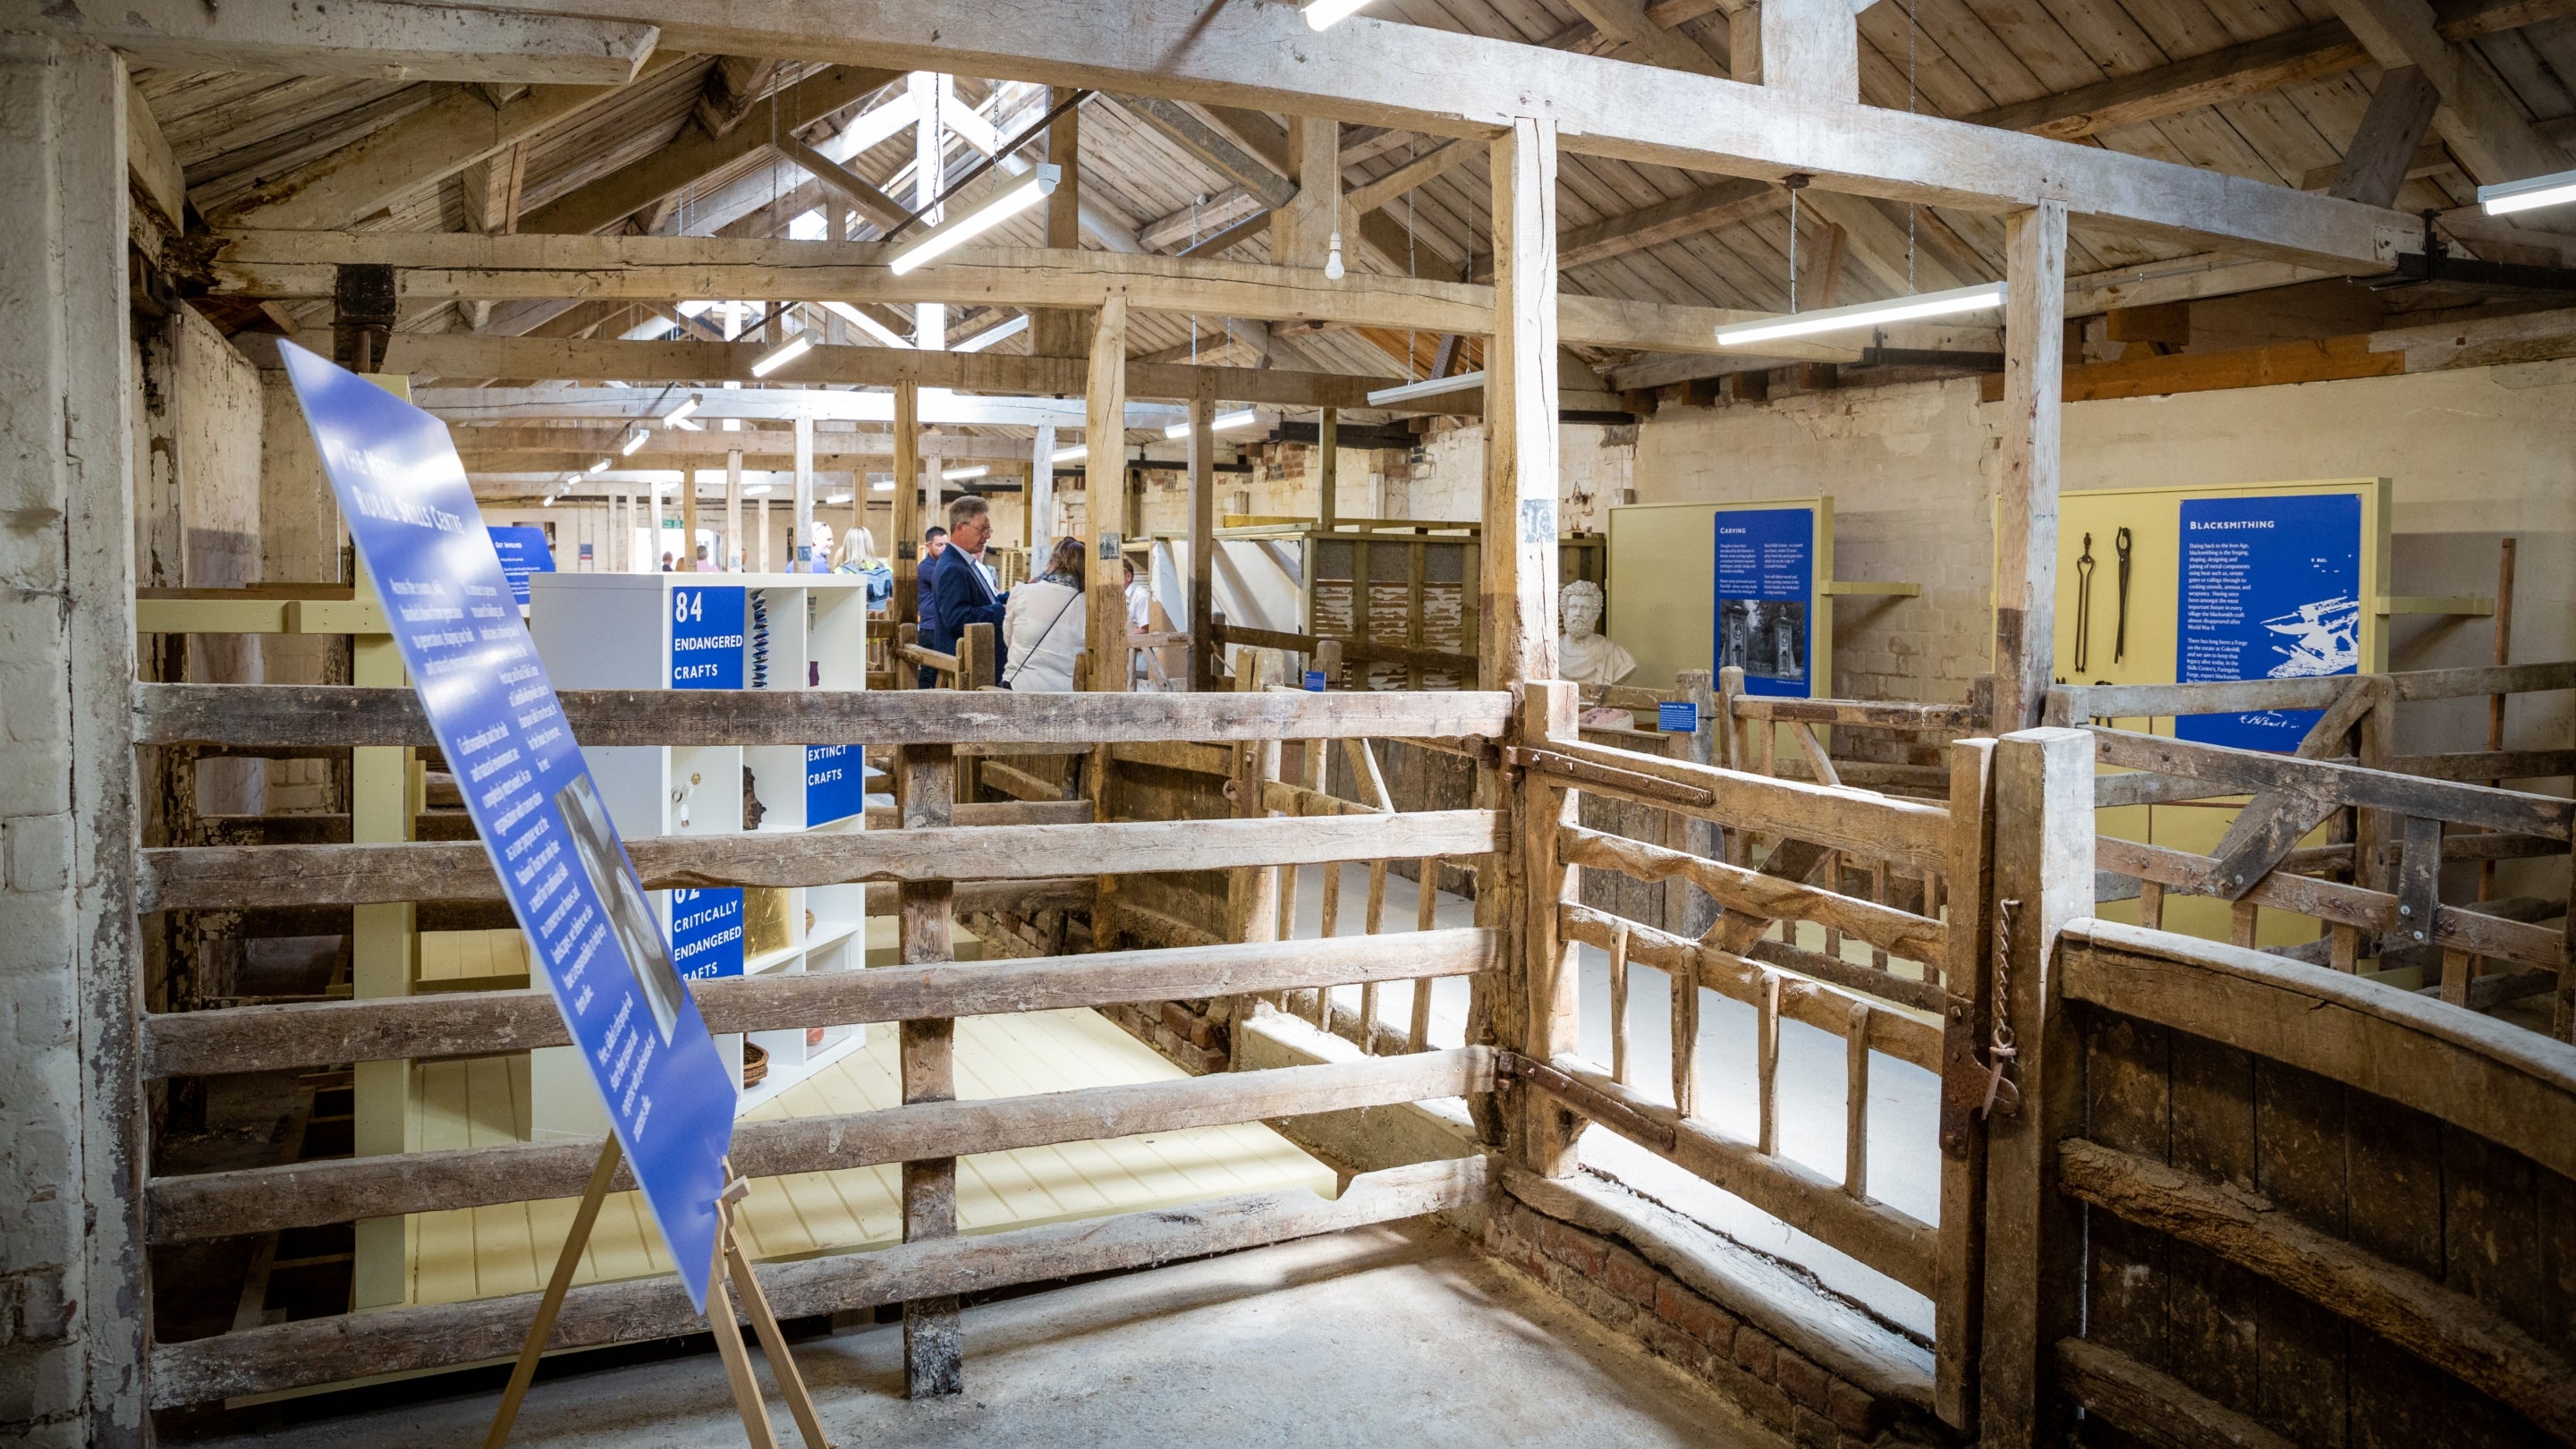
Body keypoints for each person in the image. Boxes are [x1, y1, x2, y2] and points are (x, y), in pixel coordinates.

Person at [919, 497, 1008, 687]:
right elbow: (958, 619)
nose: (987, 536)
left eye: (988, 530)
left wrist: (1015, 596)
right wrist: (1001, 610)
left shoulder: (965, 563)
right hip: (966, 669)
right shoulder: (953, 567)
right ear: (960, 528)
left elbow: (982, 601)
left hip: (976, 665)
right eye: (982, 529)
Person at [1001, 536, 1089, 691]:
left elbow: (1009, 639)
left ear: (1052, 562)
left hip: (1020, 688)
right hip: (1065, 695)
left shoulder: (1023, 593)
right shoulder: (1088, 605)